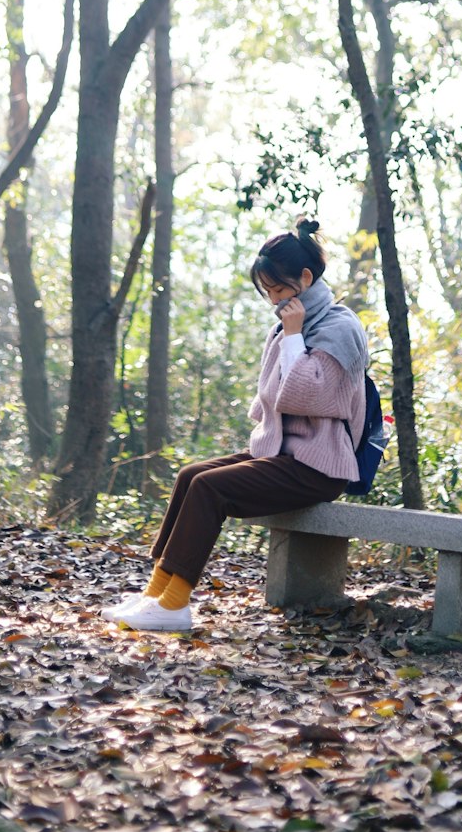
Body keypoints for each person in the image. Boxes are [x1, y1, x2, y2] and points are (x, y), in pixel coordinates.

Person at [107, 217, 368, 632]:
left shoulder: (341, 327)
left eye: (279, 289)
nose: (273, 300)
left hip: (319, 466)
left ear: (305, 277)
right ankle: (155, 594)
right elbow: (270, 398)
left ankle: (175, 604)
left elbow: (310, 396)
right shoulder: (288, 325)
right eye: (267, 292)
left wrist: (294, 334)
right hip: (283, 453)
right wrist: (290, 333)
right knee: (191, 474)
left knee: (211, 488)